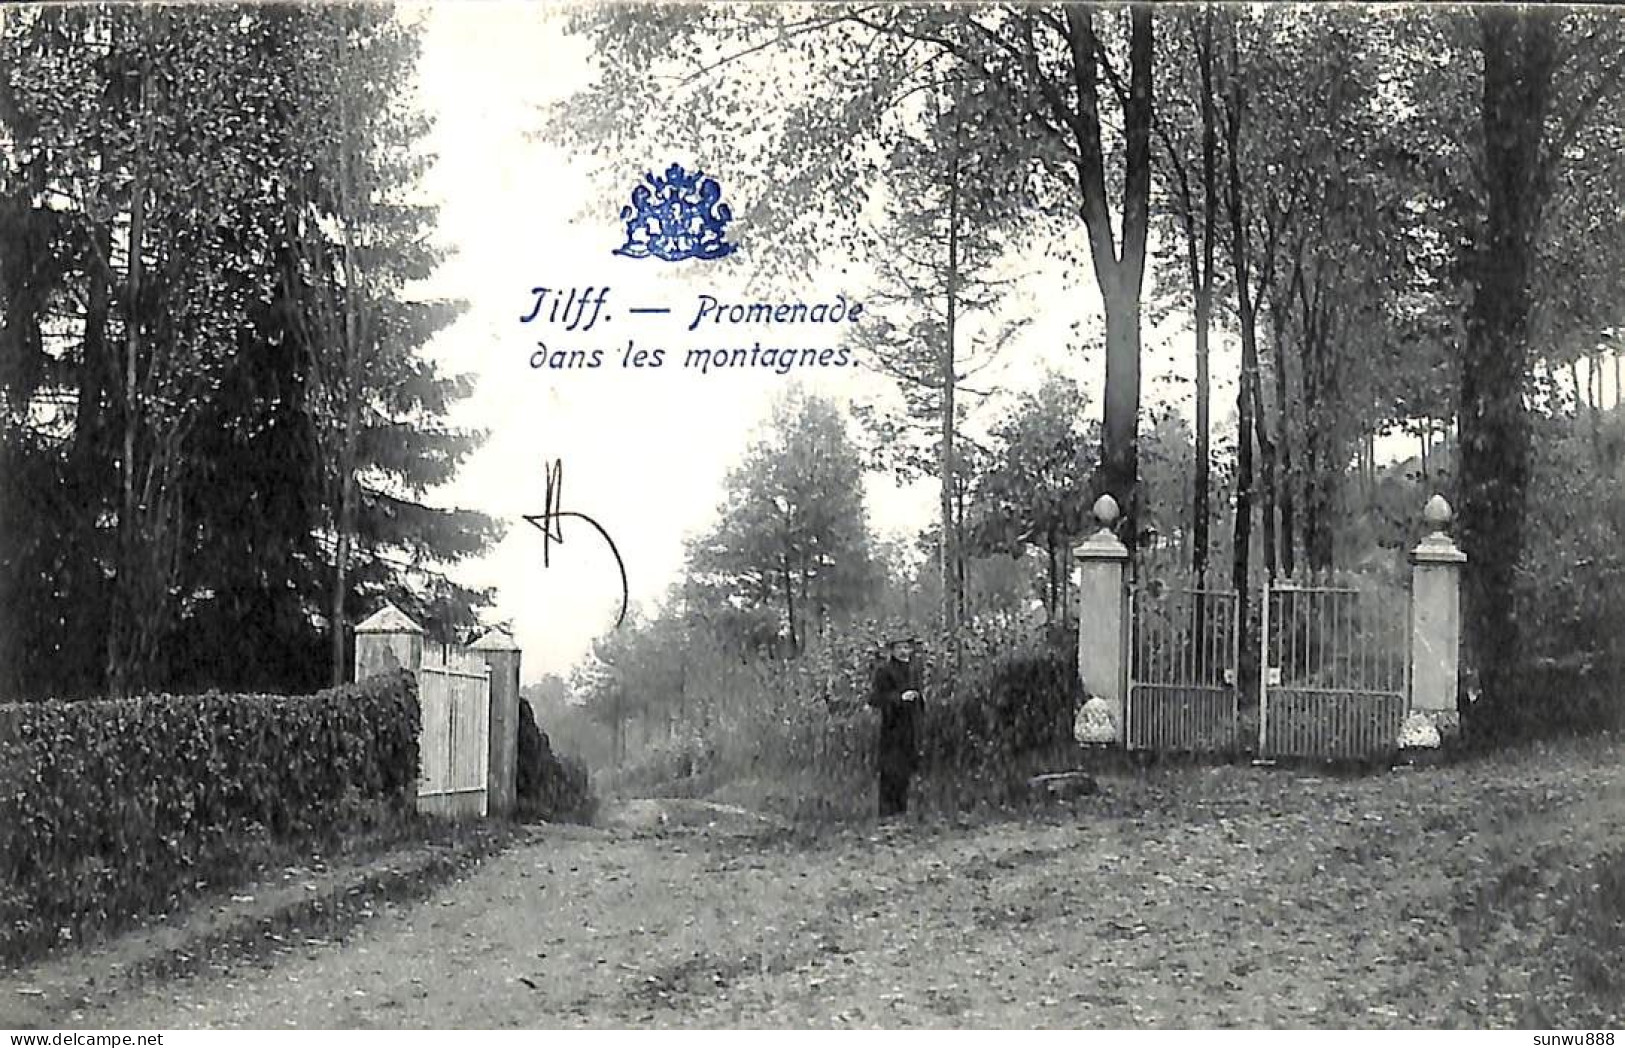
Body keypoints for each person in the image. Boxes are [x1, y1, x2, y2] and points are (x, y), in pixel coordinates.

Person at [868, 635, 924, 818]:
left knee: (906, 771)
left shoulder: (913, 670)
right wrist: (899, 698)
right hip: (892, 728)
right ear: (891, 650)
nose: (903, 651)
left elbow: (919, 695)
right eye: (899, 648)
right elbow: (875, 699)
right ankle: (886, 815)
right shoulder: (884, 670)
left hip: (911, 727)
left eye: (906, 648)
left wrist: (919, 704)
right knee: (890, 770)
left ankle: (901, 812)